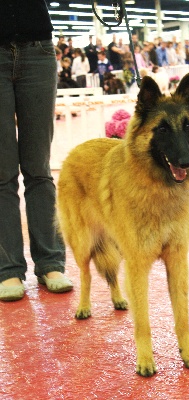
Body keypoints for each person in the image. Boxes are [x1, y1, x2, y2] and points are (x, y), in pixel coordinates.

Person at [0, 0, 73, 301]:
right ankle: (8, 269)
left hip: (38, 51)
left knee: (39, 168)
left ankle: (50, 263)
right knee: (1, 172)